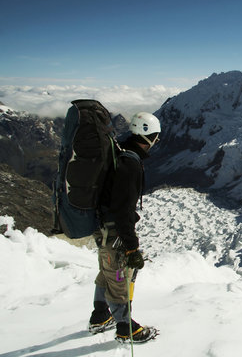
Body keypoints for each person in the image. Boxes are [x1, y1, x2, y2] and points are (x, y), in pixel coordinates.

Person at [87, 111, 161, 343]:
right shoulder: (130, 164)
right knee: (120, 275)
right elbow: (123, 211)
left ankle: (100, 315)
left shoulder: (120, 151)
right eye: (156, 136)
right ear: (149, 136)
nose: (157, 141)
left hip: (102, 225)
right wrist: (131, 248)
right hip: (114, 230)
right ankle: (124, 327)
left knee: (107, 272)